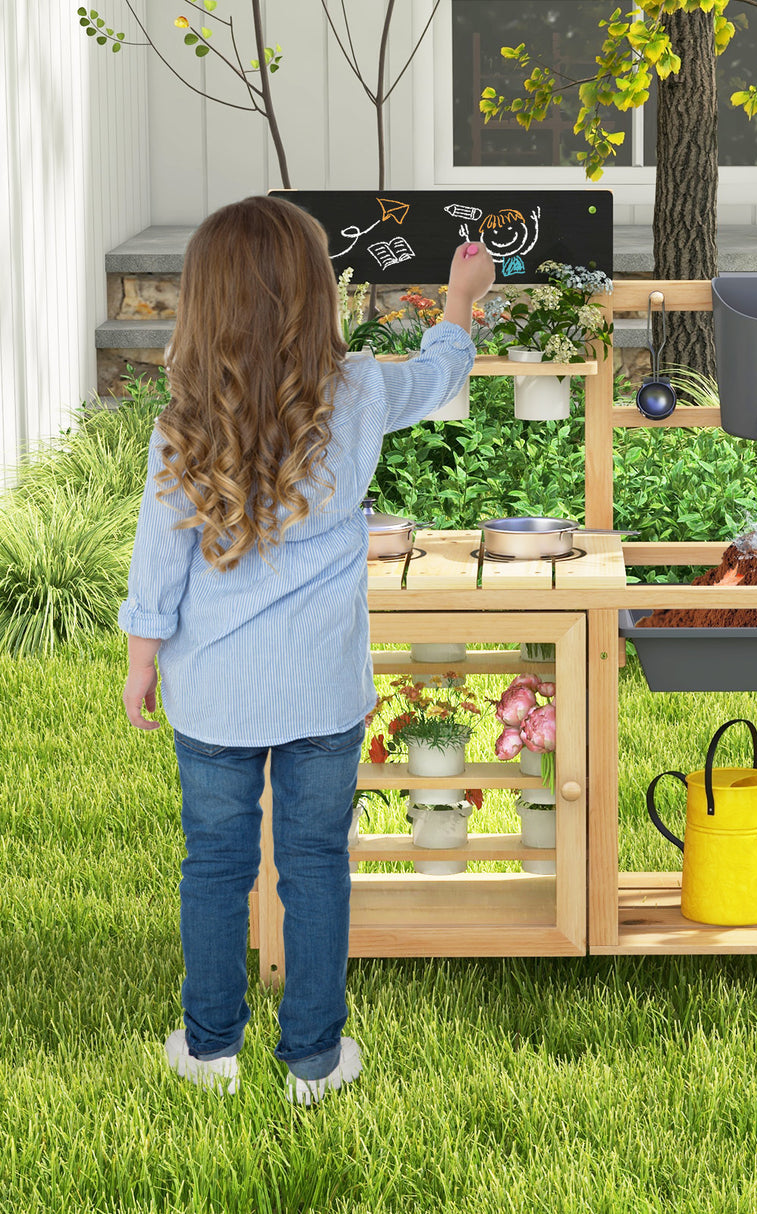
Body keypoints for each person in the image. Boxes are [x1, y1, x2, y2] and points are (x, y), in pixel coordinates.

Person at [119, 195, 496, 1102]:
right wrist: (459, 301)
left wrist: (141, 662)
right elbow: (439, 374)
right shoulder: (358, 391)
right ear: (317, 294)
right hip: (323, 690)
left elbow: (156, 563)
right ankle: (314, 1063)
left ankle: (210, 1052)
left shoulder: (182, 425)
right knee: (316, 866)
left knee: (215, 867)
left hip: (213, 695)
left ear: (203, 302)